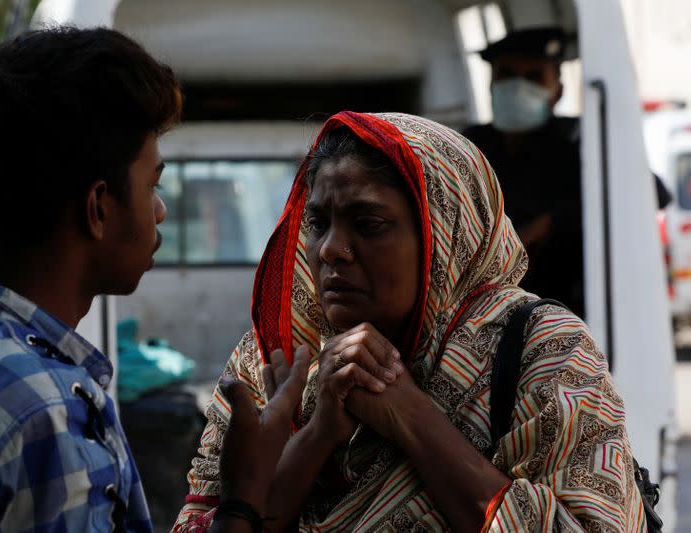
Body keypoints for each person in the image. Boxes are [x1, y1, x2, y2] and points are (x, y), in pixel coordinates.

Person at [174, 111, 646, 531]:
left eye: (368, 224)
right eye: (318, 223)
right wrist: (317, 436)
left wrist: (409, 413)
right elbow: (205, 520)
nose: (330, 249)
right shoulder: (276, 358)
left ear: (443, 235)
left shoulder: (539, 348)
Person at [0, 27, 181, 531]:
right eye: (151, 184)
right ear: (98, 207)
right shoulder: (45, 416)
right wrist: (245, 499)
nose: (159, 210)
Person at [462, 26, 586, 317]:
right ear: (491, 84)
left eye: (534, 78)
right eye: (506, 75)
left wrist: (551, 222)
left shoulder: (578, 143)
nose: (517, 87)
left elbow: (649, 194)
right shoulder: (469, 145)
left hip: (562, 313)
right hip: (480, 313)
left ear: (557, 92)